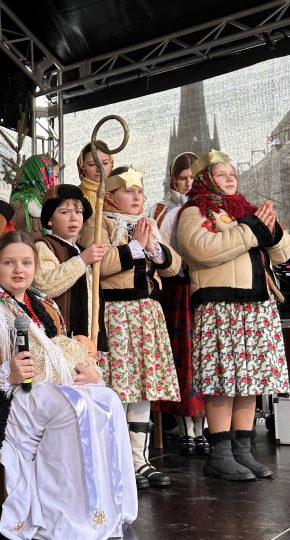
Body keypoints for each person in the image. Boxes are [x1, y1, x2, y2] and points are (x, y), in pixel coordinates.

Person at [0, 231, 137, 540]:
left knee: (108, 399)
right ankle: (62, 514)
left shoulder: (44, 303)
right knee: (72, 407)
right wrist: (6, 373)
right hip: (6, 399)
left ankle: (104, 506)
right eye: (9, 263)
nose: (19, 270)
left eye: (26, 262)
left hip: (49, 388)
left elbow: (63, 351)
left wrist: (86, 370)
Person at [176, 150, 290, 481]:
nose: (230, 178)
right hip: (220, 306)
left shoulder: (246, 211)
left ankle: (243, 451)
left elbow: (284, 252)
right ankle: (220, 454)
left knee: (250, 381)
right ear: (205, 179)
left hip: (256, 305)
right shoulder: (195, 211)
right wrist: (252, 229)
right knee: (223, 380)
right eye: (221, 174)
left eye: (232, 173)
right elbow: (201, 249)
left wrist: (270, 230)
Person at [95, 167, 182, 489]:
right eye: (128, 191)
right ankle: (117, 460)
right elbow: (98, 265)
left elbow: (174, 266)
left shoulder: (148, 224)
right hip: (117, 313)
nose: (137, 197)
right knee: (120, 386)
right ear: (109, 196)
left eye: (140, 192)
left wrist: (153, 248)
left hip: (147, 313)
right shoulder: (100, 223)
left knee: (144, 386)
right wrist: (133, 247)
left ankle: (139, 459)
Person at [153, 152, 209, 455]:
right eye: (183, 178)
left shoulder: (207, 207)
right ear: (174, 179)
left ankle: (203, 426)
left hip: (203, 286)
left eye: (193, 178)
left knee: (202, 356)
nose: (188, 183)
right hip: (176, 288)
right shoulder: (162, 210)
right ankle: (185, 425)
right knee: (182, 357)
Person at [32, 184, 108, 352]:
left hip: (87, 337)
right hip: (61, 337)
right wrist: (81, 261)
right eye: (65, 212)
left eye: (78, 212)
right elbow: (44, 285)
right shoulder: (45, 247)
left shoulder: (82, 250)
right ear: (50, 219)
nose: (74, 218)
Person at [8, 154, 58, 236]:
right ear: (42, 177)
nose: (59, 182)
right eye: (56, 176)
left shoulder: (46, 204)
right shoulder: (18, 207)